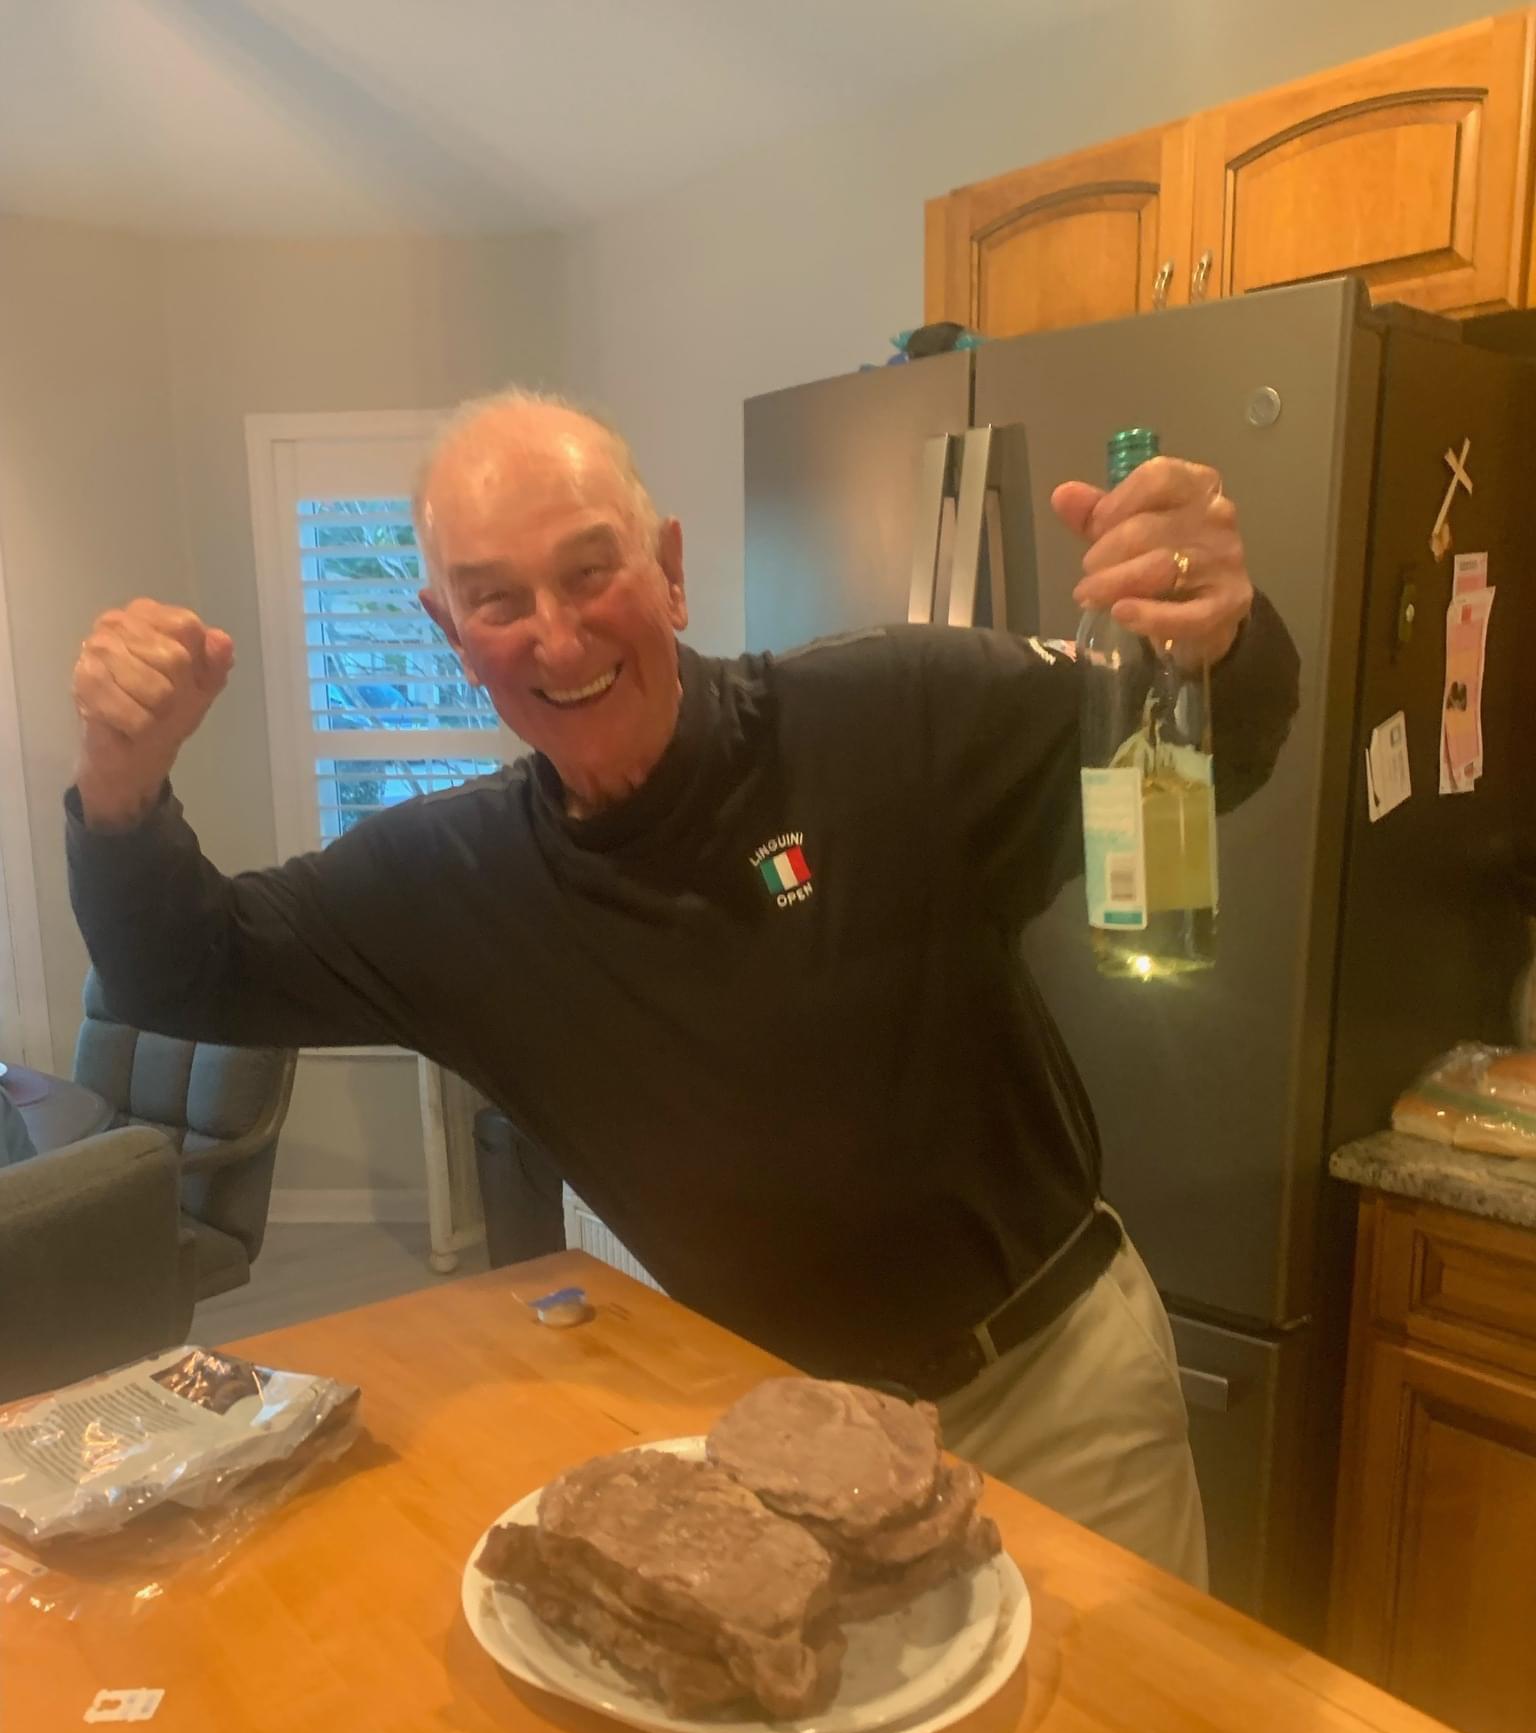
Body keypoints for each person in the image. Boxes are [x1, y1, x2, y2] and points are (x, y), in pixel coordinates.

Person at [66, 388, 1297, 1587]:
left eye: (591, 569)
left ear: (669, 567)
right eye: (497, 599)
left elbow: (1194, 746)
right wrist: (120, 783)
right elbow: (187, 968)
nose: (555, 635)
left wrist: (1213, 636)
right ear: (451, 635)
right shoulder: (449, 879)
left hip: (1052, 1387)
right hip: (778, 1422)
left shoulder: (892, 712)